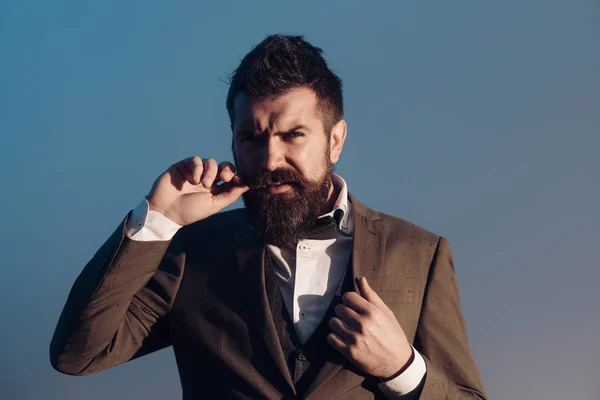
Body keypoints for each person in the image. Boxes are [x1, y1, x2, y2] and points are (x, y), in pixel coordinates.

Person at [50, 34, 486, 399]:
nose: (269, 157)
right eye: (251, 137)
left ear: (336, 140)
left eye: (292, 134)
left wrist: (402, 368)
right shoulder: (192, 249)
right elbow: (78, 355)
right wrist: (160, 217)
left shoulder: (421, 253)